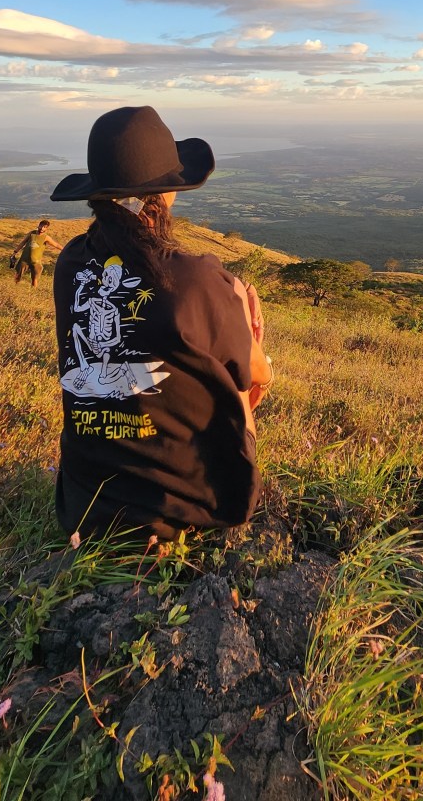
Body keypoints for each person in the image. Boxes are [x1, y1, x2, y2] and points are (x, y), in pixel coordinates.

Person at [48, 105, 272, 542]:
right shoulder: (198, 278)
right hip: (193, 506)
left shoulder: (69, 263)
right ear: (165, 194)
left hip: (85, 505)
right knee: (239, 378)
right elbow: (255, 374)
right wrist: (246, 325)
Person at [10, 218, 64, 288]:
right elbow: (23, 243)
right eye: (41, 226)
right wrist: (15, 252)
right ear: (38, 225)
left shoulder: (46, 237)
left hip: (36, 261)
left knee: (34, 279)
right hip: (24, 259)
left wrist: (65, 249)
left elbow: (56, 245)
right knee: (18, 275)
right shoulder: (32, 233)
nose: (42, 228)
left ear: (46, 229)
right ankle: (15, 289)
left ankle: (33, 292)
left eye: (44, 227)